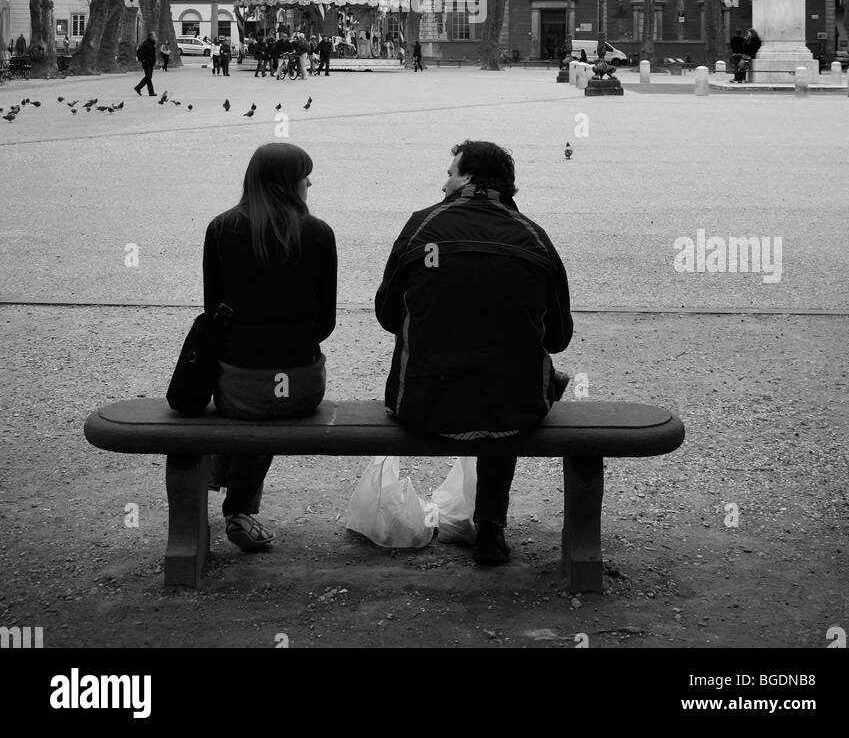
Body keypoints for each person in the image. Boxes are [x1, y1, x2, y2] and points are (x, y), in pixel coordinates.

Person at [375, 140, 573, 567]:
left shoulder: (421, 227)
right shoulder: (535, 238)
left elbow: (388, 316)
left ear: (465, 178)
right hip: (512, 409)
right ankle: (490, 525)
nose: (443, 181)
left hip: (423, 403)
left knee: (483, 373)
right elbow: (558, 337)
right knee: (505, 382)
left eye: (450, 172)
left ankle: (485, 522)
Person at [205, 143, 337, 552]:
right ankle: (239, 509)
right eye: (305, 174)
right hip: (299, 386)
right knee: (270, 401)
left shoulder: (221, 228)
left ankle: (235, 502)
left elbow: (214, 314)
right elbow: (325, 324)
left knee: (252, 402)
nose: (310, 181)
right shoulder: (318, 233)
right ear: (287, 182)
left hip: (237, 387)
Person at [134, 31, 157, 96]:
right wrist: (143, 59)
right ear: (150, 36)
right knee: (148, 77)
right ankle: (151, 92)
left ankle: (138, 88)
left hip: (151, 63)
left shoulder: (152, 43)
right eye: (154, 36)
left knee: (148, 77)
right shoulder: (146, 43)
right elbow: (139, 52)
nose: (155, 37)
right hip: (146, 63)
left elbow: (152, 53)